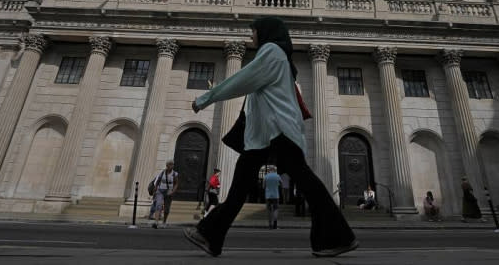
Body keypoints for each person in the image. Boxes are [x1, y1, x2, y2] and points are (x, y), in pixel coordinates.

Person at [184, 17, 358, 258]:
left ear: (265, 32)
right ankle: (210, 235)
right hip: (264, 137)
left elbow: (243, 80)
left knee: (306, 184)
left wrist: (206, 98)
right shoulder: (277, 56)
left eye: (253, 32)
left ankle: (338, 236)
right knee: (239, 188)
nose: (251, 37)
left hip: (279, 133)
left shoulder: (271, 51)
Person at [152, 159, 178, 229]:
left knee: (166, 208)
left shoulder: (174, 174)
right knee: (158, 205)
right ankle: (156, 222)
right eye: (170, 164)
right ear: (167, 165)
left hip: (169, 192)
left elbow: (176, 184)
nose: (171, 166)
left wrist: (172, 192)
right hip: (160, 191)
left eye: (172, 164)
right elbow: (157, 181)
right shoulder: (163, 172)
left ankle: (164, 222)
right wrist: (155, 190)